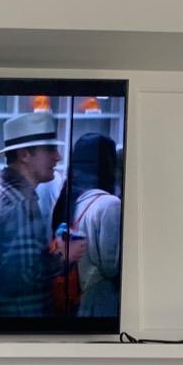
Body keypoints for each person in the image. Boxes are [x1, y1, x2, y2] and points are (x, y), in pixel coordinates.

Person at [0, 111, 74, 318]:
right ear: (25, 155)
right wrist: (63, 256)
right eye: (50, 149)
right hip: (15, 323)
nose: (58, 157)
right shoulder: (21, 202)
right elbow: (21, 277)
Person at [61, 133, 122, 318]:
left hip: (79, 302)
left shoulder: (73, 199)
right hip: (102, 304)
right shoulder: (110, 204)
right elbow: (112, 267)